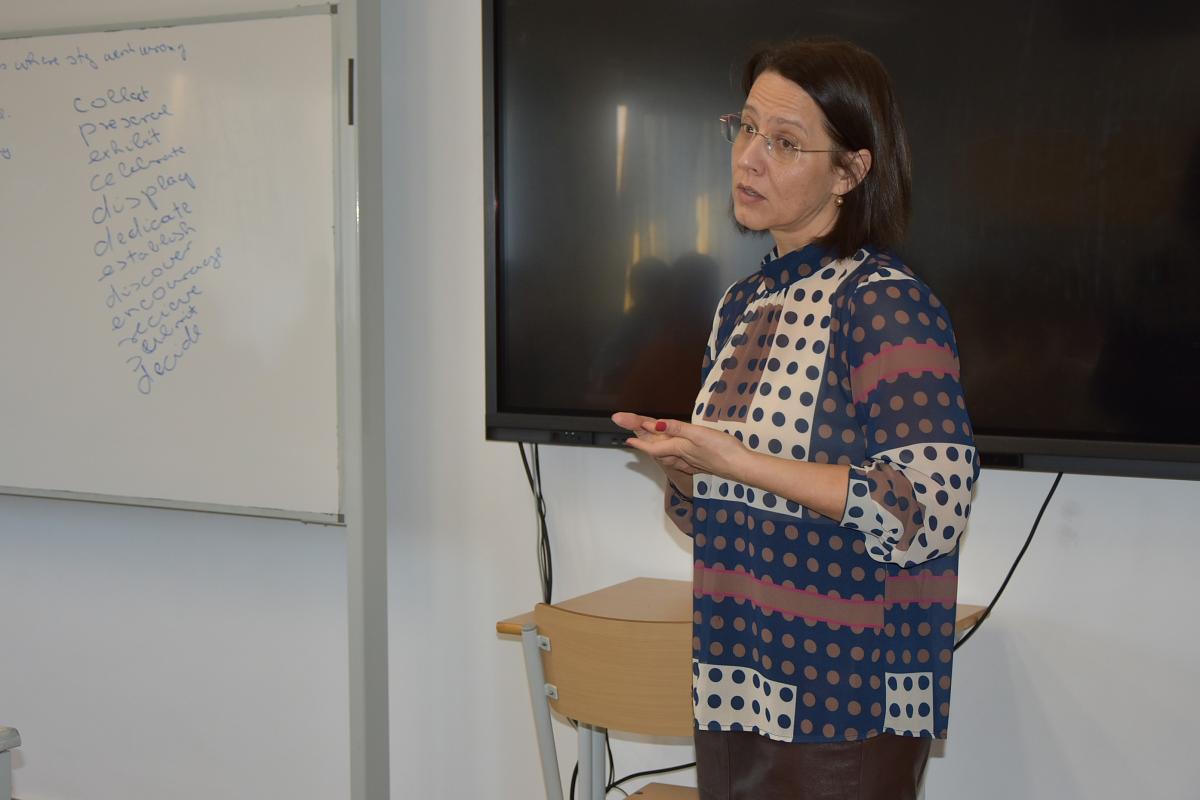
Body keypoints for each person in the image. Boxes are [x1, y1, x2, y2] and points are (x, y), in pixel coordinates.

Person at [613, 37, 978, 800]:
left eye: (784, 142)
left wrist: (737, 461)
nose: (749, 158)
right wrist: (686, 471)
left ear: (850, 171)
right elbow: (723, 516)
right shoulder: (742, 305)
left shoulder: (884, 304)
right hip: (737, 681)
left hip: (841, 703)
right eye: (746, 129)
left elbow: (932, 508)